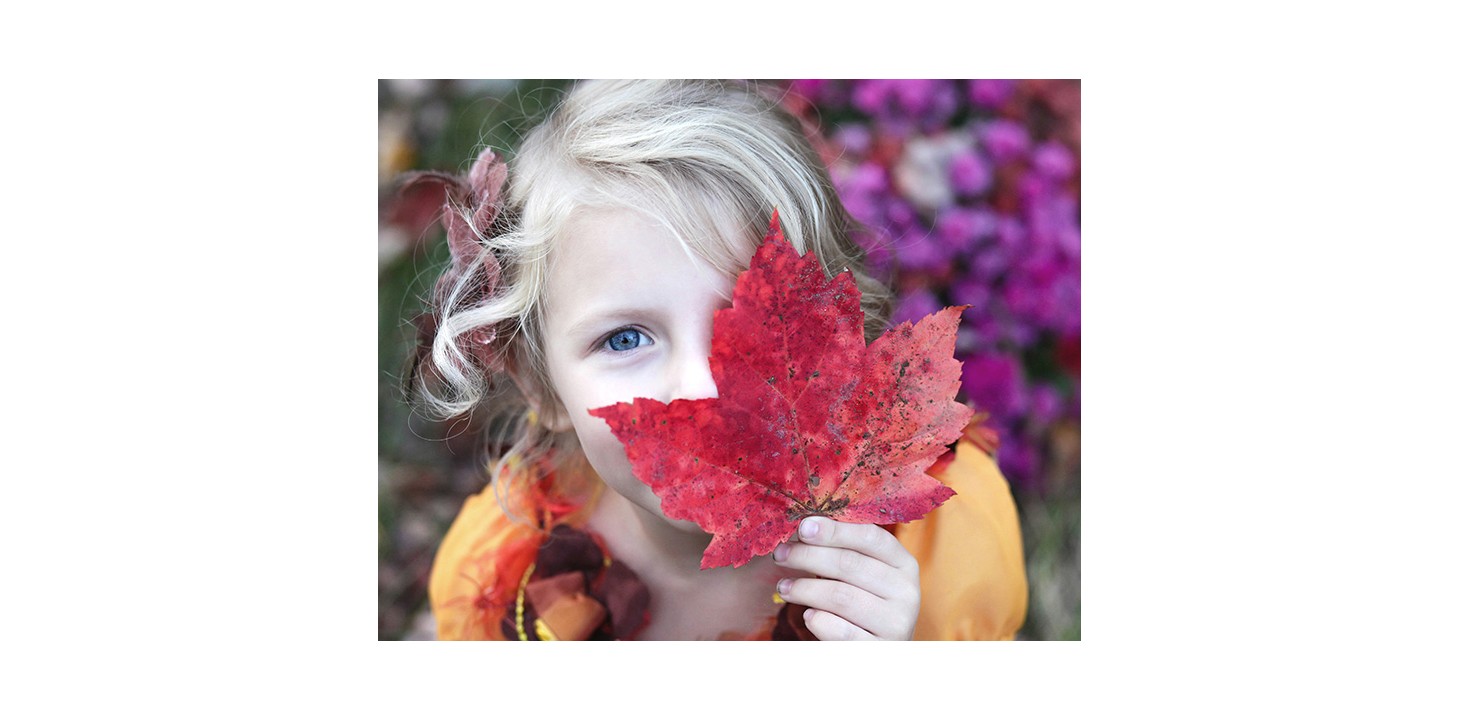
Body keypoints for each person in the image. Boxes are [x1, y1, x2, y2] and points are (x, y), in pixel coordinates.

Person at [405, 79, 1027, 640]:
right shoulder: (506, 581)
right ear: (540, 385)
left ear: (843, 338)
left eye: (752, 322)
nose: (703, 386)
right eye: (625, 339)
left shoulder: (938, 554)